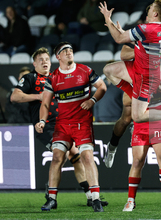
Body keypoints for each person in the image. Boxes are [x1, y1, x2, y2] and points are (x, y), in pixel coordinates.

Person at [11, 47, 104, 209]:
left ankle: (89, 196)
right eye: (40, 60)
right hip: (46, 126)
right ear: (34, 63)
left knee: (74, 156)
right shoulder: (30, 78)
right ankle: (53, 195)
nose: (44, 62)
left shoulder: (56, 76)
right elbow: (15, 96)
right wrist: (37, 96)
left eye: (47, 59)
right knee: (65, 155)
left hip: (64, 122)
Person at [99, 0, 161, 130]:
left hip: (146, 77)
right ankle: (134, 95)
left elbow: (118, 39)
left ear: (155, 14)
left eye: (152, 7)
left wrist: (108, 20)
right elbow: (140, 42)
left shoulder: (146, 29)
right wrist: (123, 32)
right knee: (108, 70)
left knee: (137, 116)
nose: (148, 9)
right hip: (138, 68)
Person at [35, 42, 107, 212]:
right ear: (58, 56)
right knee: (57, 158)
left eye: (70, 50)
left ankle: (95, 198)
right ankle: (52, 198)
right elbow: (45, 103)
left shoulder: (85, 70)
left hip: (82, 124)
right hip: (62, 124)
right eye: (64, 51)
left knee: (87, 157)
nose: (69, 52)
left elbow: (102, 87)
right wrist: (43, 121)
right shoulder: (53, 78)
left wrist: (92, 100)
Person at [123, 73, 161, 212]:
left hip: (159, 123)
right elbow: (125, 100)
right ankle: (130, 200)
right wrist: (142, 91)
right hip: (141, 125)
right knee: (137, 161)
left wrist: (159, 88)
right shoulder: (135, 77)